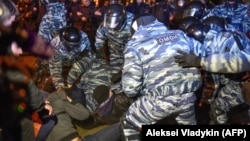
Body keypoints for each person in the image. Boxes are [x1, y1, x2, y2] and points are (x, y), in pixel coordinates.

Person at [120, 13, 203, 140]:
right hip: (189, 97)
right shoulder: (180, 34)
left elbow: (131, 89)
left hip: (158, 100)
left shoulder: (134, 46)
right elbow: (202, 54)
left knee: (129, 123)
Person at [175, 16, 250, 124]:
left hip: (244, 81)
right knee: (218, 107)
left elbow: (241, 61)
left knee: (218, 108)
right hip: (240, 81)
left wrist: (202, 61)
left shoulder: (218, 43)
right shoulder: (224, 37)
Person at [95, 3, 134, 73]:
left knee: (129, 74)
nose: (112, 26)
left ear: (121, 19)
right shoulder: (107, 20)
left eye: (115, 23)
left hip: (130, 53)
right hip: (114, 51)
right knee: (114, 74)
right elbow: (100, 34)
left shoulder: (133, 23)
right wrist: (99, 49)